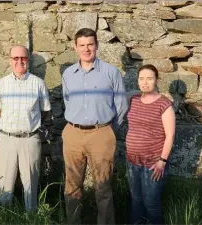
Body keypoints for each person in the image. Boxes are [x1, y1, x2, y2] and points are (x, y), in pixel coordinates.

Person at [61, 28, 128, 224]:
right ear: (75, 47)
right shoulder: (68, 74)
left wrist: (108, 131)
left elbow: (121, 106)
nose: (86, 49)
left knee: (103, 186)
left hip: (102, 133)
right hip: (73, 133)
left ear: (97, 45)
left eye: (90, 44)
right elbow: (67, 101)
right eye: (82, 45)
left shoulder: (111, 72)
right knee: (72, 185)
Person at [0, 45, 51, 212]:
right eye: (15, 58)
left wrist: (28, 124)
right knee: (4, 183)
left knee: (30, 183)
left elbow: (44, 111)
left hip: (30, 139)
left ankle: (31, 217)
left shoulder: (38, 84)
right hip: (7, 139)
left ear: (28, 60)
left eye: (23, 58)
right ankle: (4, 216)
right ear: (10, 60)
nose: (20, 61)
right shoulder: (2, 84)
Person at [125, 64, 175, 224]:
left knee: (151, 203)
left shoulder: (164, 104)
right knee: (135, 201)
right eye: (141, 79)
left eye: (149, 78)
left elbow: (170, 135)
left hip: (153, 164)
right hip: (132, 161)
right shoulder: (133, 100)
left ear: (156, 80)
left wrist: (162, 161)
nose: (145, 82)